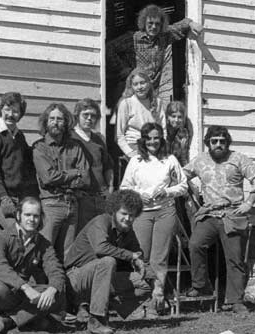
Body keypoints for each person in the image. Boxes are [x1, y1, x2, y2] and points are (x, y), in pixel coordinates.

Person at [183, 126, 255, 313]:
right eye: (214, 141)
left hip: (232, 214)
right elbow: (180, 176)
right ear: (208, 142)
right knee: (195, 244)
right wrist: (191, 192)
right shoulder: (200, 161)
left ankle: (235, 300)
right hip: (210, 214)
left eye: (222, 140)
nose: (218, 144)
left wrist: (249, 203)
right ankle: (200, 285)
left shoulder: (238, 159)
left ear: (227, 142)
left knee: (235, 258)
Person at [0, 197, 74, 334]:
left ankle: (9, 320)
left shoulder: (43, 243)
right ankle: (32, 317)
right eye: (27, 215)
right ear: (18, 215)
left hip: (20, 293)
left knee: (57, 294)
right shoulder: (1, 237)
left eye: (36, 216)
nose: (32, 219)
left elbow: (55, 268)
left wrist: (52, 289)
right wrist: (26, 287)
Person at [120, 122, 187, 314]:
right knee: (141, 255)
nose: (152, 142)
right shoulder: (136, 161)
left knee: (160, 257)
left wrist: (166, 191)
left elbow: (182, 185)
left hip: (165, 211)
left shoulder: (170, 160)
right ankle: (139, 298)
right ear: (143, 140)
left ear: (161, 139)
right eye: (148, 138)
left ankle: (157, 299)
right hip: (142, 212)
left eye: (156, 138)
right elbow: (125, 187)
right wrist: (139, 194)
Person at [64, 190, 152, 334]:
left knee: (145, 284)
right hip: (75, 278)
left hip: (101, 279)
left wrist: (153, 278)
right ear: (114, 211)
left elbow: (137, 254)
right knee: (108, 261)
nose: (127, 218)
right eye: (124, 213)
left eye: (131, 215)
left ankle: (97, 307)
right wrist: (130, 256)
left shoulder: (127, 230)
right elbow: (101, 248)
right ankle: (96, 320)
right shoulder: (101, 221)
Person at [107, 4, 203, 105]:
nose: (154, 27)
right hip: (131, 92)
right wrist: (125, 71)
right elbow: (109, 49)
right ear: (144, 23)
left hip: (151, 94)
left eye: (157, 24)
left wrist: (191, 23)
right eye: (150, 23)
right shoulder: (132, 38)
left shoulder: (163, 37)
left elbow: (178, 27)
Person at [32, 103, 90, 265]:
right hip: (51, 205)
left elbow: (85, 178)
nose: (55, 122)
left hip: (72, 205)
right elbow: (48, 178)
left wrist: (64, 179)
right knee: (45, 252)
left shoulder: (76, 147)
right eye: (52, 119)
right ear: (46, 122)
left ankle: (63, 289)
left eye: (59, 119)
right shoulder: (39, 148)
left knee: (68, 255)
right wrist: (73, 173)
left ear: (66, 122)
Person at [0, 92, 38, 230]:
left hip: (17, 196)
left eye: (15, 111)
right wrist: (3, 198)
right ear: (1, 110)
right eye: (7, 109)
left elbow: (26, 167)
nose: (10, 114)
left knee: (11, 239)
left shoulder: (19, 136)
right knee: (16, 232)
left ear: (21, 114)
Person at [70, 98, 114, 231]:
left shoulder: (99, 139)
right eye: (85, 115)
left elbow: (108, 166)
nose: (89, 119)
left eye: (93, 116)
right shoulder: (70, 138)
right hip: (81, 197)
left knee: (100, 234)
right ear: (77, 116)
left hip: (101, 196)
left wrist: (110, 188)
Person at [115, 68, 167, 159]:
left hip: (154, 144)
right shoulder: (127, 104)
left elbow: (163, 129)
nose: (139, 87)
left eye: (142, 83)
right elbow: (120, 135)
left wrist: (162, 148)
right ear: (131, 86)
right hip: (134, 145)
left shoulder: (157, 102)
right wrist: (130, 153)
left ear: (149, 83)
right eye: (135, 84)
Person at [165, 100, 193, 167]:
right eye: (173, 116)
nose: (176, 120)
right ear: (168, 117)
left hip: (176, 165)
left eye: (180, 117)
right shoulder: (162, 130)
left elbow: (183, 157)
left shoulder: (184, 133)